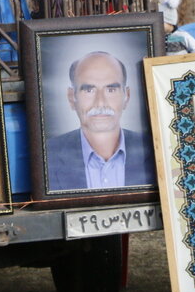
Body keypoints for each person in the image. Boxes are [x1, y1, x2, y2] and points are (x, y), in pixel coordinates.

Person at [45, 51, 154, 191]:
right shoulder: (47, 155)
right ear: (71, 98)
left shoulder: (156, 150)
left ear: (126, 96)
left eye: (111, 90)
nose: (100, 102)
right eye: (89, 90)